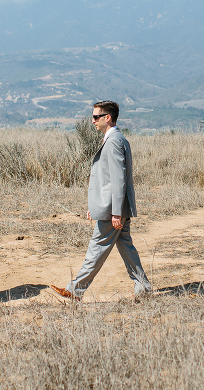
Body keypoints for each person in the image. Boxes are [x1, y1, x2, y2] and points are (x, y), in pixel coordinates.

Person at [50, 101, 152, 301]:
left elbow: (118, 179)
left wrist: (115, 212)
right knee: (127, 248)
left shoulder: (114, 141)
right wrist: (97, 208)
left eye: (96, 117)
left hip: (113, 210)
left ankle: (75, 289)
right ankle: (144, 288)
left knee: (97, 247)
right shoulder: (117, 139)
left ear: (108, 117)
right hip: (113, 207)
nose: (92, 121)